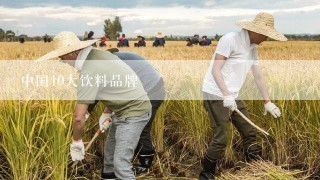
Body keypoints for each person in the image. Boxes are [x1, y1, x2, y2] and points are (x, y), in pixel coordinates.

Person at [37, 31, 152, 180]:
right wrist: (107, 112)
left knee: (121, 165)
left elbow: (78, 117)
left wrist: (76, 142)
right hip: (123, 110)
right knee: (109, 157)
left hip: (134, 114)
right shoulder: (100, 55)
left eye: (62, 56)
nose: (61, 60)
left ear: (73, 53)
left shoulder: (89, 71)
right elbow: (116, 84)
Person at [200, 12, 287, 179]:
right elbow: (215, 70)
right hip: (216, 93)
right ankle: (206, 175)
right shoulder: (230, 40)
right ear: (256, 32)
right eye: (266, 35)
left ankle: (255, 169)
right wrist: (226, 95)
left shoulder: (252, 48)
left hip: (232, 95)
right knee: (221, 138)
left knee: (249, 132)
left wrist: (267, 101)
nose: (266, 39)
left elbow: (258, 75)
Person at [88, 51, 165, 175]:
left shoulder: (112, 64)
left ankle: (145, 164)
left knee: (142, 126)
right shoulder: (114, 61)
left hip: (152, 89)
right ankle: (122, 162)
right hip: (148, 85)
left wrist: (84, 114)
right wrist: (107, 112)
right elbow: (117, 91)